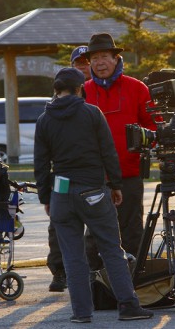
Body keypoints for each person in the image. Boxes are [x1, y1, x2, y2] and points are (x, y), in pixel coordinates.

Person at [34, 67, 154, 323]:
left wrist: (46, 197)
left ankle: (81, 312)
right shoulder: (91, 113)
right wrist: (116, 185)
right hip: (93, 190)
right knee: (111, 248)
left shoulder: (44, 119)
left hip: (61, 193)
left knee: (72, 255)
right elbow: (108, 151)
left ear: (56, 90)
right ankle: (128, 306)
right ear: (80, 89)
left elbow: (41, 164)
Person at [83, 33, 157, 269]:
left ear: (116, 59)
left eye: (104, 56)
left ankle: (136, 283)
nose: (99, 62)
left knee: (132, 230)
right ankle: (97, 286)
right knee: (94, 234)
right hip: (94, 177)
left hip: (129, 174)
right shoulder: (83, 91)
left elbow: (153, 126)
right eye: (94, 58)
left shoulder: (137, 88)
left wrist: (142, 147)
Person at [46, 45, 90, 292]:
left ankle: (92, 272)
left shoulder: (95, 94)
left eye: (86, 62)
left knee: (95, 223)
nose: (83, 67)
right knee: (58, 223)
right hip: (61, 173)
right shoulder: (56, 100)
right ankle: (59, 271)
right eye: (79, 63)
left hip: (90, 172)